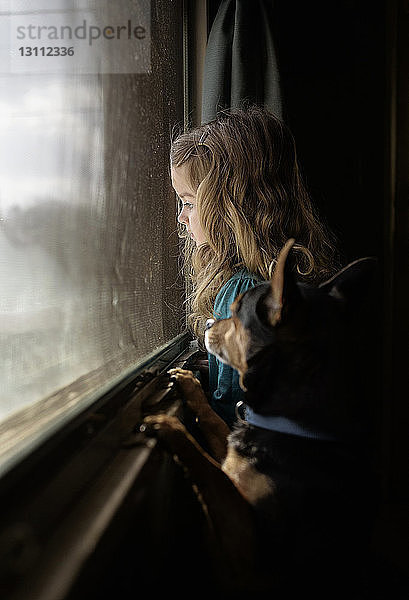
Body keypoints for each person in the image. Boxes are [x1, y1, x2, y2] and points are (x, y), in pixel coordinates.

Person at [170, 105, 340, 427]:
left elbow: (233, 419)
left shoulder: (241, 293)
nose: (181, 217)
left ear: (228, 206)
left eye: (189, 203)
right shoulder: (294, 287)